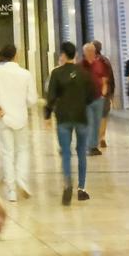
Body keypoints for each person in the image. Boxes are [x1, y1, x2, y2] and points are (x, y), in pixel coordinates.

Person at [42, 42, 95, 204]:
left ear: (64, 55)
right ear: (76, 55)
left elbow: (50, 97)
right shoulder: (85, 73)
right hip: (81, 117)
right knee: (81, 152)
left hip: (63, 118)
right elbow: (92, 96)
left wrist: (47, 115)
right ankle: (81, 188)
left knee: (65, 152)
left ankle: (67, 183)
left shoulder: (57, 74)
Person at [0, 45, 34, 202]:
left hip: (3, 116)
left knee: (7, 152)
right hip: (21, 118)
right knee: (22, 150)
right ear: (16, 56)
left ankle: (11, 190)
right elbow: (31, 99)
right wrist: (22, 104)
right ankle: (21, 179)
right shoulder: (26, 74)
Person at [80, 42, 114, 154]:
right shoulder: (80, 66)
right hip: (86, 99)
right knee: (90, 122)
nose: (91, 53)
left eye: (92, 51)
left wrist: (105, 92)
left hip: (99, 98)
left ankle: (94, 145)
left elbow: (105, 78)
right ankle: (90, 146)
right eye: (88, 51)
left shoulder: (101, 63)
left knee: (97, 122)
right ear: (84, 52)